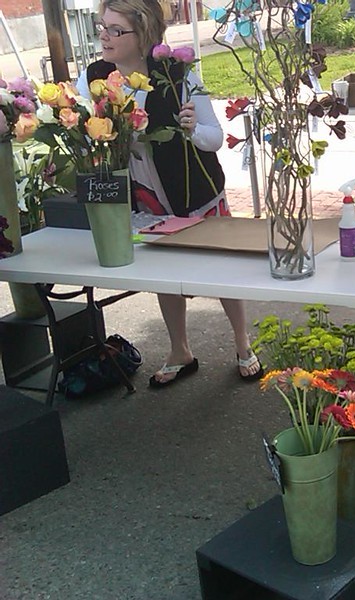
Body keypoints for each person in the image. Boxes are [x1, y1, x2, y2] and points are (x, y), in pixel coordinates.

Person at [77, 0, 264, 387]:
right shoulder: (94, 77)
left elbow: (214, 139)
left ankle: (243, 343)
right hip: (143, 192)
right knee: (164, 274)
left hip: (194, 190)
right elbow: (83, 134)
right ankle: (181, 350)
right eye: (102, 27)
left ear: (143, 33)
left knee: (221, 270)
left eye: (115, 30)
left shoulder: (177, 75)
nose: (104, 37)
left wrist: (194, 127)